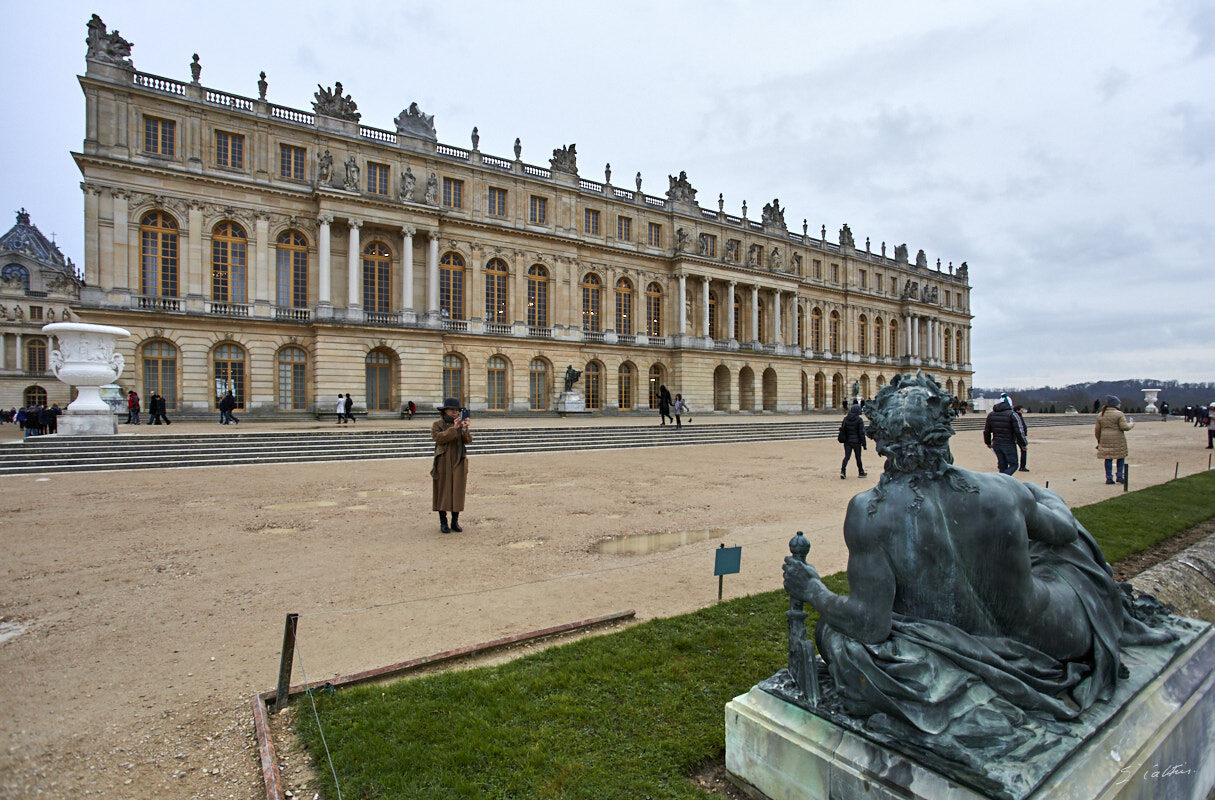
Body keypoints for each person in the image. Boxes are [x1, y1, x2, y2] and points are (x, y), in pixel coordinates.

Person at [782, 373, 1174, 765]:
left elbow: (869, 624)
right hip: (1059, 633)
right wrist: (1036, 494)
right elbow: (1064, 530)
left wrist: (813, 588)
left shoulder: (869, 512)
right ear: (944, 434)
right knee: (1065, 549)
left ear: (880, 441)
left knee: (835, 632)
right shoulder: (1002, 489)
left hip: (975, 637)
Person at [431, 397, 472, 533]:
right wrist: (454, 429)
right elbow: (438, 438)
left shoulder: (460, 423)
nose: (455, 412)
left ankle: (455, 521)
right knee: (443, 491)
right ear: (445, 411)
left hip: (458, 460)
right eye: (452, 410)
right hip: (443, 461)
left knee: (457, 491)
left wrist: (465, 429)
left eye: (456, 410)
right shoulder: (438, 424)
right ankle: (444, 522)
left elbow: (468, 440)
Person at [1094, 395, 1132, 485]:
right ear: (1115, 404)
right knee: (1121, 456)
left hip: (1105, 438)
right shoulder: (1119, 414)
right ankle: (1119, 476)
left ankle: (1109, 477)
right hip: (1118, 438)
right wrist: (1131, 424)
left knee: (1108, 458)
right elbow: (1124, 427)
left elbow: (1097, 430)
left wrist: (1099, 440)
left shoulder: (1101, 414)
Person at [983, 395, 1025, 475]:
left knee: (1002, 465)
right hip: (1009, 443)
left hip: (996, 443)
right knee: (1014, 464)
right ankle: (1001, 479)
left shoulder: (991, 415)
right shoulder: (1012, 414)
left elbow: (987, 431)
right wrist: (1023, 444)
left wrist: (988, 442)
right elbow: (1019, 431)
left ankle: (1002, 481)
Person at [838, 403, 867, 478]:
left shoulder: (845, 419)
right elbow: (861, 433)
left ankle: (843, 471)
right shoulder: (859, 419)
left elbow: (843, 429)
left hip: (847, 441)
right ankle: (861, 472)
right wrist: (864, 444)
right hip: (856, 442)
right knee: (858, 457)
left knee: (846, 457)